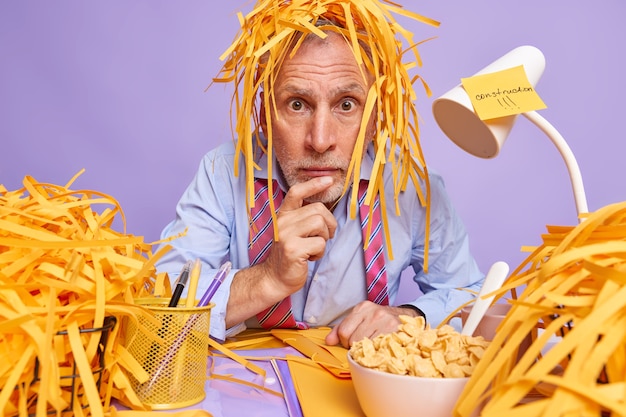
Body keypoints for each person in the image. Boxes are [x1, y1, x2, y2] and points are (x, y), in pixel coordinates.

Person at [155, 0, 484, 348]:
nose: (321, 140)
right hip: (246, 388)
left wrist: (410, 317)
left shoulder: (413, 188)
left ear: (374, 120)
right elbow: (160, 305)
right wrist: (268, 278)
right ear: (265, 116)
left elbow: (471, 295)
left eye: (346, 104)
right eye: (297, 104)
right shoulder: (222, 173)